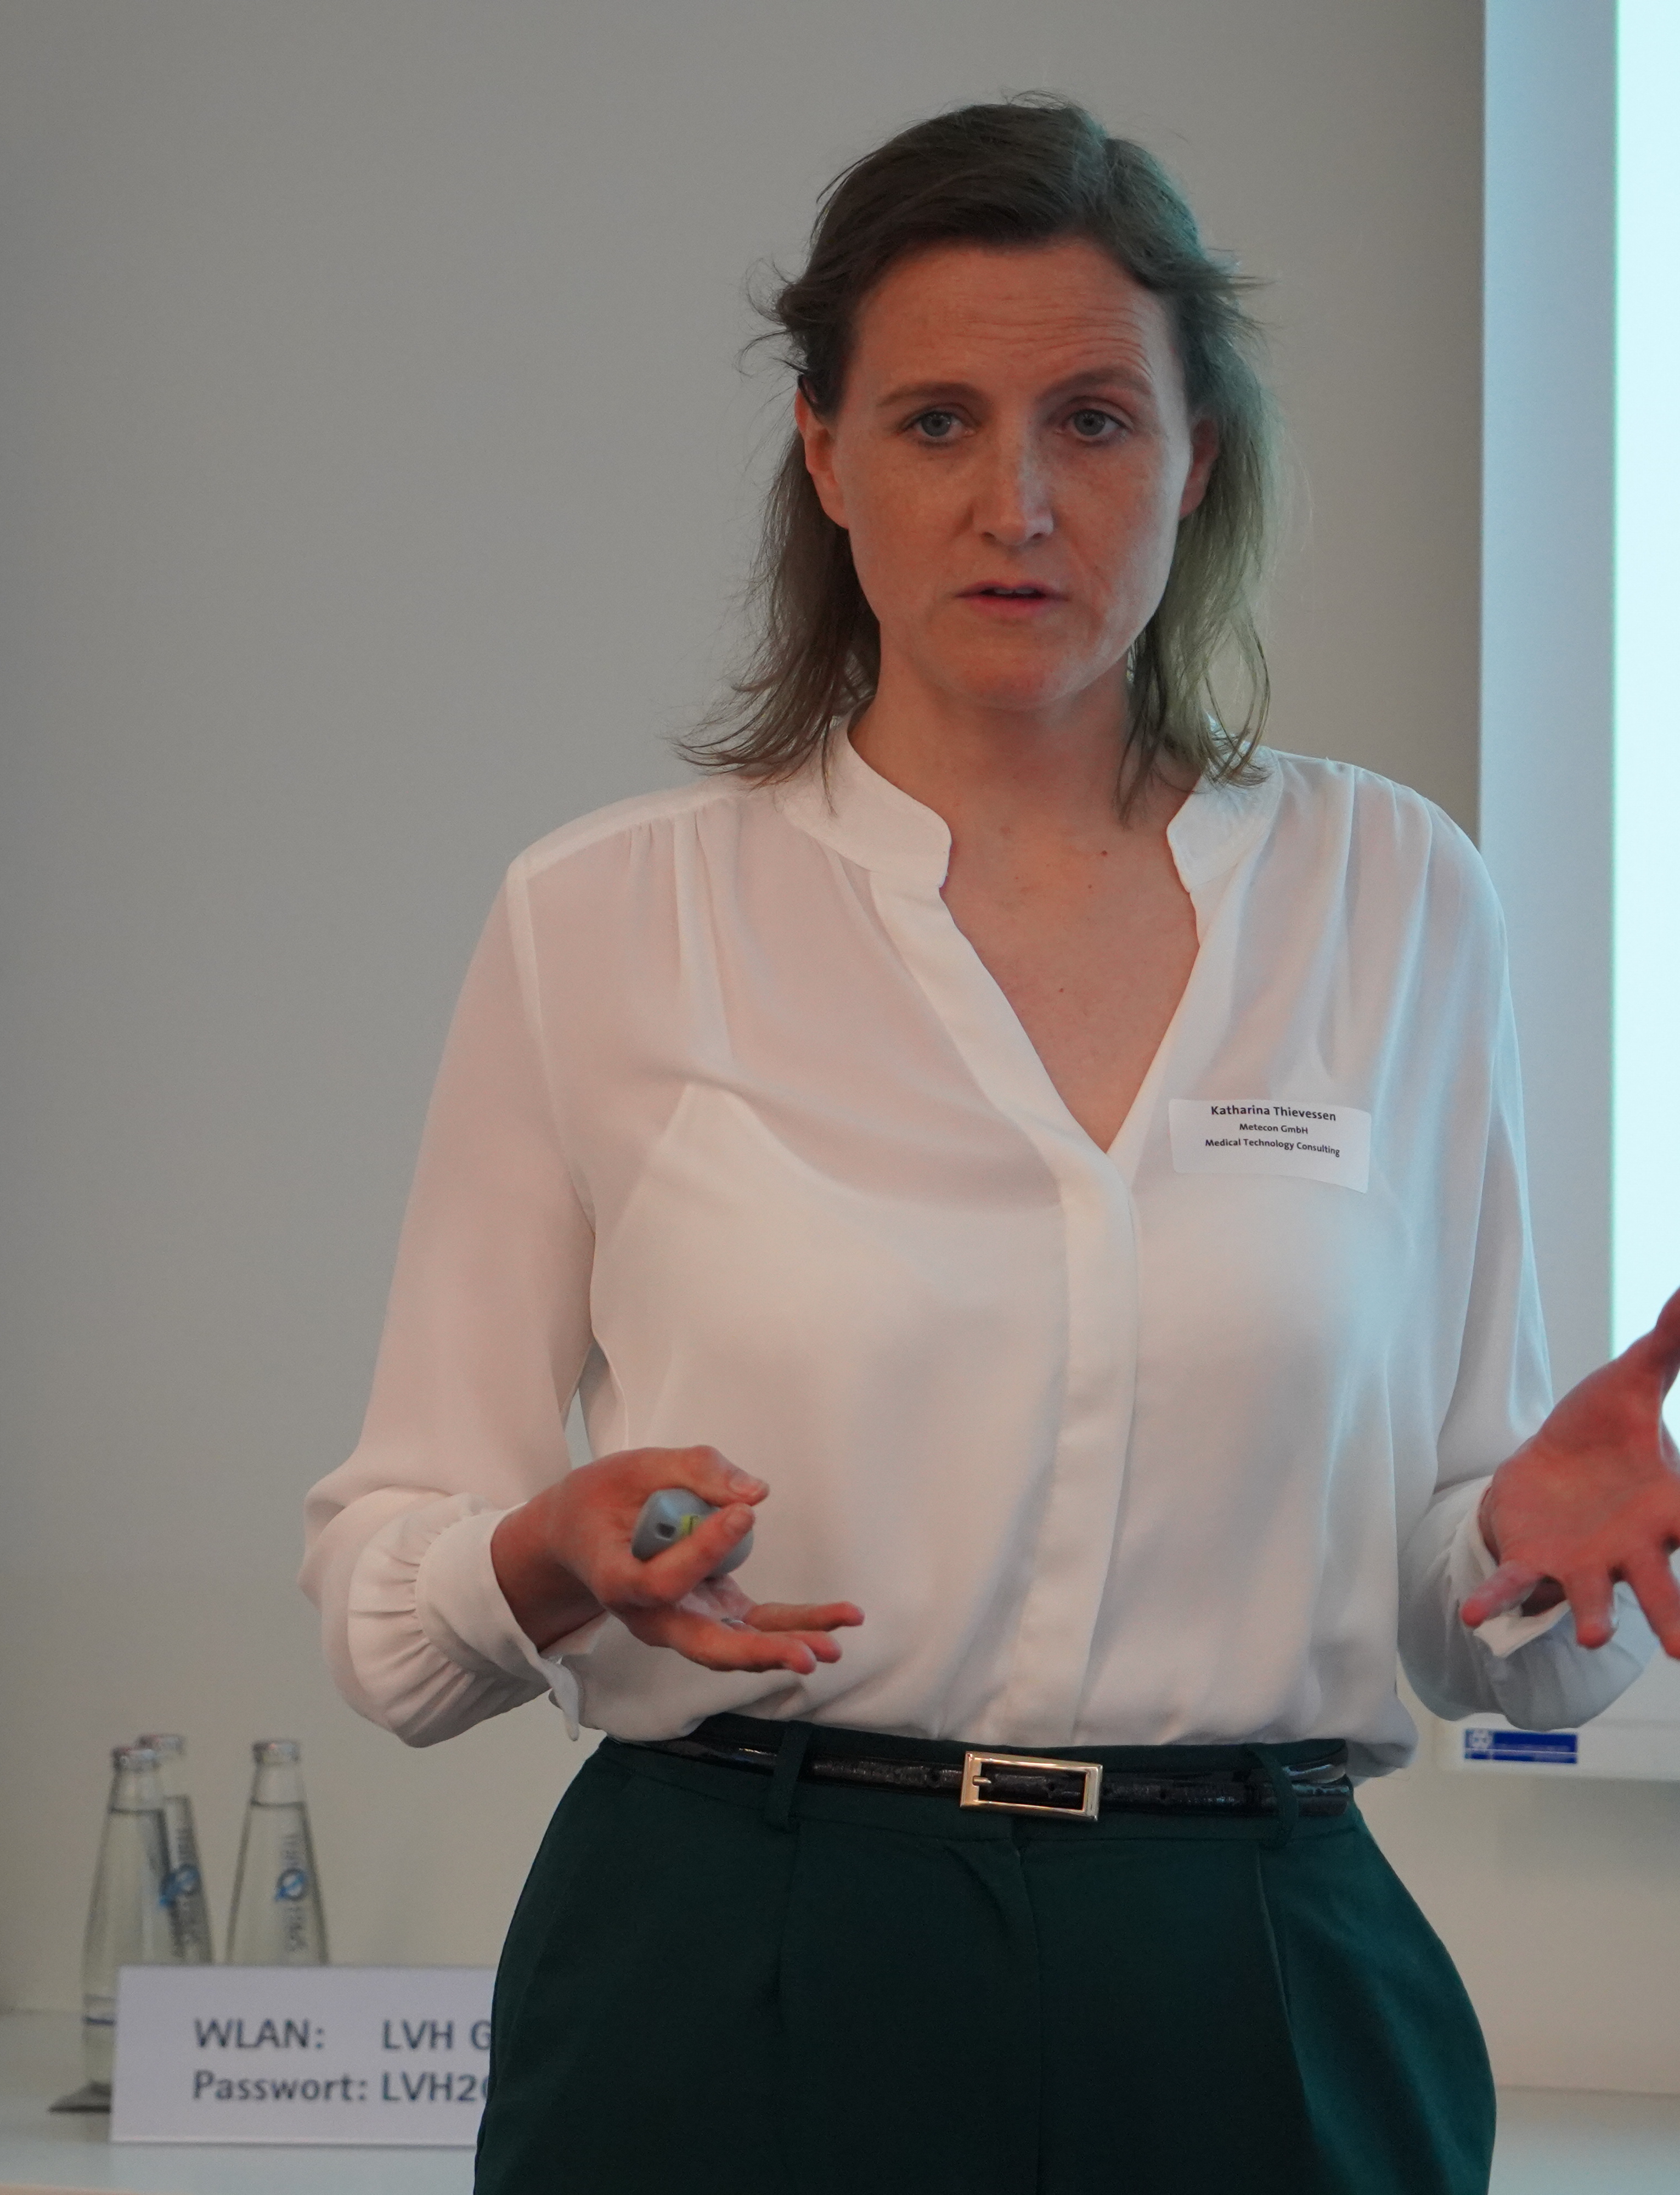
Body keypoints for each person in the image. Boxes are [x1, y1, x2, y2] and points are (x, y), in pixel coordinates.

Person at [301, 97, 1680, 2195]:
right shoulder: (607, 917)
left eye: (1095, 422)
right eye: (937, 421)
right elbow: (388, 1610)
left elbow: (1480, 1624)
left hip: (1252, 1969)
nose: (1016, 503)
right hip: (741, 1954)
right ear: (825, 452)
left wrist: (1540, 1551)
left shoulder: (1397, 895)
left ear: (1196, 459)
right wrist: (537, 1557)